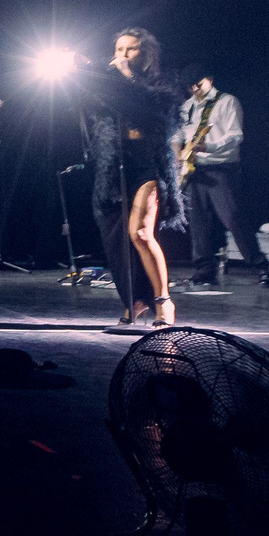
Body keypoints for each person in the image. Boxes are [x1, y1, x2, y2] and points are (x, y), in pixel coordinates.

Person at [71, 26, 187, 325]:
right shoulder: (107, 83)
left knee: (140, 233)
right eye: (119, 49)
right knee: (116, 240)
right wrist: (82, 70)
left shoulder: (163, 85)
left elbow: (151, 112)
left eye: (131, 49)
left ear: (146, 54)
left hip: (149, 164)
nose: (123, 55)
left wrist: (125, 75)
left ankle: (164, 301)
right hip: (115, 165)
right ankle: (135, 300)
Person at [176, 70, 269, 289]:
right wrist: (177, 157)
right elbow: (177, 135)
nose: (195, 89)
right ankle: (204, 270)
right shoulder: (186, 107)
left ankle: (261, 265)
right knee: (198, 222)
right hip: (194, 170)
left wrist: (207, 146)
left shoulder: (228, 102)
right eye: (190, 86)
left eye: (198, 83)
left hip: (221, 168)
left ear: (210, 80)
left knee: (232, 218)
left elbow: (235, 135)